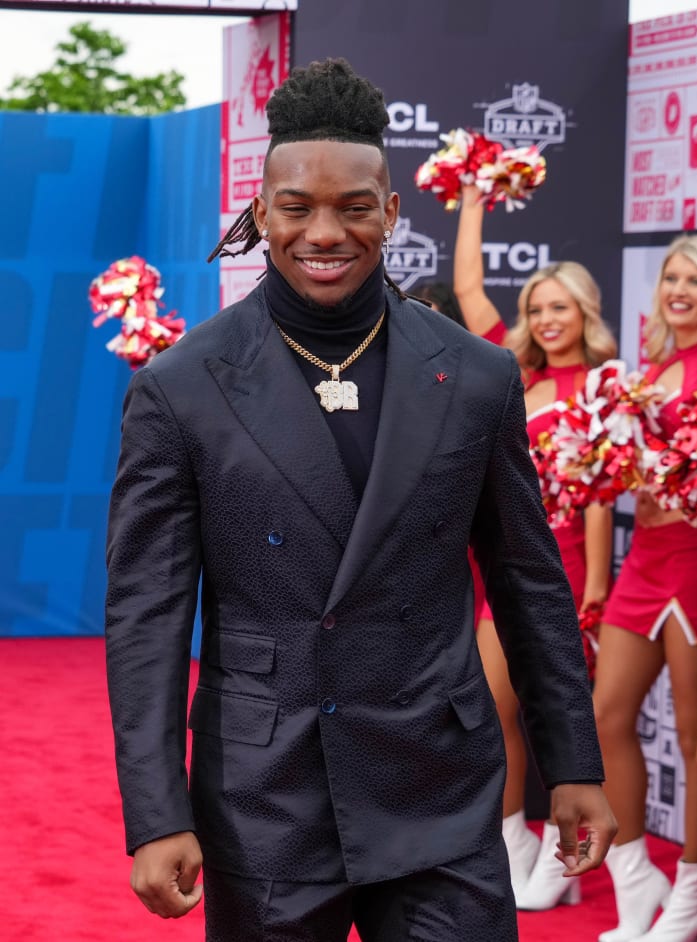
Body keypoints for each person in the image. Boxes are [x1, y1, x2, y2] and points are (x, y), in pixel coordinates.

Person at [104, 58, 616, 942]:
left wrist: (573, 761)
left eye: (353, 206)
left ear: (391, 210)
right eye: (298, 208)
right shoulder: (180, 388)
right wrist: (156, 811)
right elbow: (147, 617)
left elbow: (529, 582)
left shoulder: (478, 376)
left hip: (440, 786)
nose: (325, 231)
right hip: (264, 797)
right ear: (261, 214)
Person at [452, 185, 618, 910]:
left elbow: (603, 494)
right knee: (493, 710)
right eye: (537, 309)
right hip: (507, 565)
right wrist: (471, 193)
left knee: (564, 715)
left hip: (573, 571)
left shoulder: (607, 387)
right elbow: (465, 287)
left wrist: (596, 586)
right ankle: (517, 842)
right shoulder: (514, 377)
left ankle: (561, 857)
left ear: (586, 312)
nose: (547, 320)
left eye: (561, 307)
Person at [592, 235, 697, 942]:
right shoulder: (652, 370)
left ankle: (691, 892)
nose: (679, 289)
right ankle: (636, 876)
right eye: (671, 277)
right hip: (646, 562)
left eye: (694, 279)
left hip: (695, 561)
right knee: (603, 717)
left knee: (695, 736)